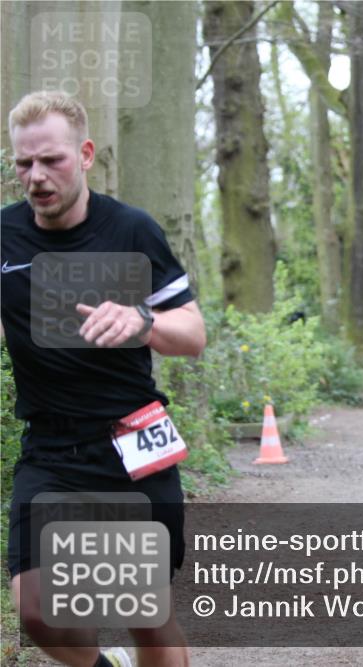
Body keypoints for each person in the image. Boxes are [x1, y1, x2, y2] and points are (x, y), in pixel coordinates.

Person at [2, 91, 205, 666]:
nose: (37, 176)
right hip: (50, 448)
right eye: (24, 163)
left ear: (86, 154)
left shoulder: (131, 230)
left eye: (52, 161)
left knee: (146, 613)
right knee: (38, 608)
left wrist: (143, 321)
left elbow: (192, 334)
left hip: (131, 443)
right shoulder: (4, 237)